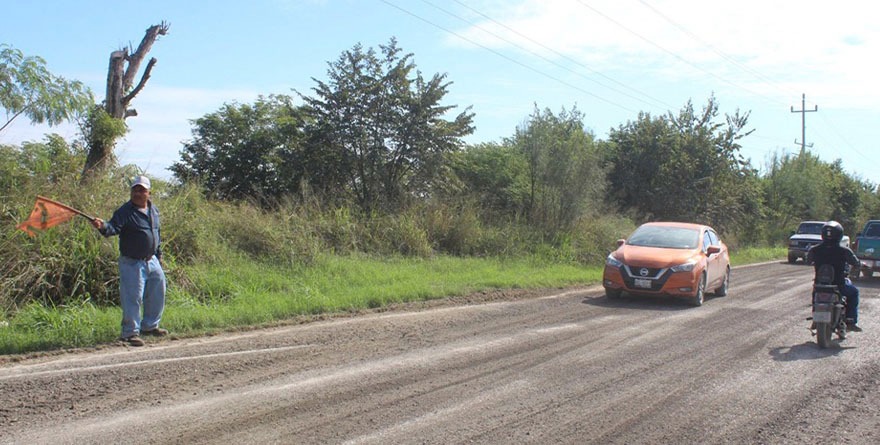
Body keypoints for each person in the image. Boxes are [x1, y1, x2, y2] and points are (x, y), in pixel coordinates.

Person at [91, 175, 168, 346]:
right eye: (135, 189)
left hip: (152, 260)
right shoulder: (125, 211)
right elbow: (113, 228)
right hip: (132, 262)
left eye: (142, 190)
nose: (138, 193)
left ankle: (150, 326)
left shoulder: (153, 210)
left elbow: (157, 234)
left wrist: (159, 255)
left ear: (149, 193)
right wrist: (102, 226)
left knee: (157, 292)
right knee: (133, 297)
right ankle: (130, 333)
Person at [807, 220, 862, 331]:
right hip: (839, 285)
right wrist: (859, 266)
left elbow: (808, 261)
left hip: (819, 285)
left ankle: (815, 319)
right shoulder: (844, 250)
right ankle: (851, 320)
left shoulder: (814, 249)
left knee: (815, 297)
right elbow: (856, 263)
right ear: (839, 234)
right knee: (854, 293)